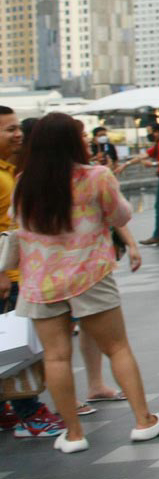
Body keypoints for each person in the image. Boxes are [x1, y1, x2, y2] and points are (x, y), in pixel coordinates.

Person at [12, 113, 159, 454]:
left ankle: (73, 434)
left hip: (41, 281)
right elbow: (121, 215)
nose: (86, 140)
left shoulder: (25, 182)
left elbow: (21, 227)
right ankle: (143, 420)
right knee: (117, 347)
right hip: (89, 275)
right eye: (82, 135)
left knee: (56, 358)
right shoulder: (96, 176)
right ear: (72, 141)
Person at [0, 105, 68, 441]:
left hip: (17, 274)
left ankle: (6, 411)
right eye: (8, 129)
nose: (17, 134)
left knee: (9, 346)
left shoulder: (11, 170)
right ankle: (29, 413)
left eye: (17, 128)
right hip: (6, 278)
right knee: (18, 348)